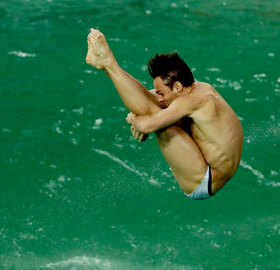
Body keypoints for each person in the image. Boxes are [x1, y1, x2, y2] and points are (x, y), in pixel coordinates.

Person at [86, 28, 243, 199]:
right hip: (207, 162)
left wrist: (137, 119)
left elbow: (145, 125)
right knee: (155, 105)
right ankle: (107, 65)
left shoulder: (192, 102)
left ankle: (108, 63)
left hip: (204, 179)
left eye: (161, 92)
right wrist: (142, 110)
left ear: (177, 86)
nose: (159, 96)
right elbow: (150, 95)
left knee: (152, 112)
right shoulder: (200, 88)